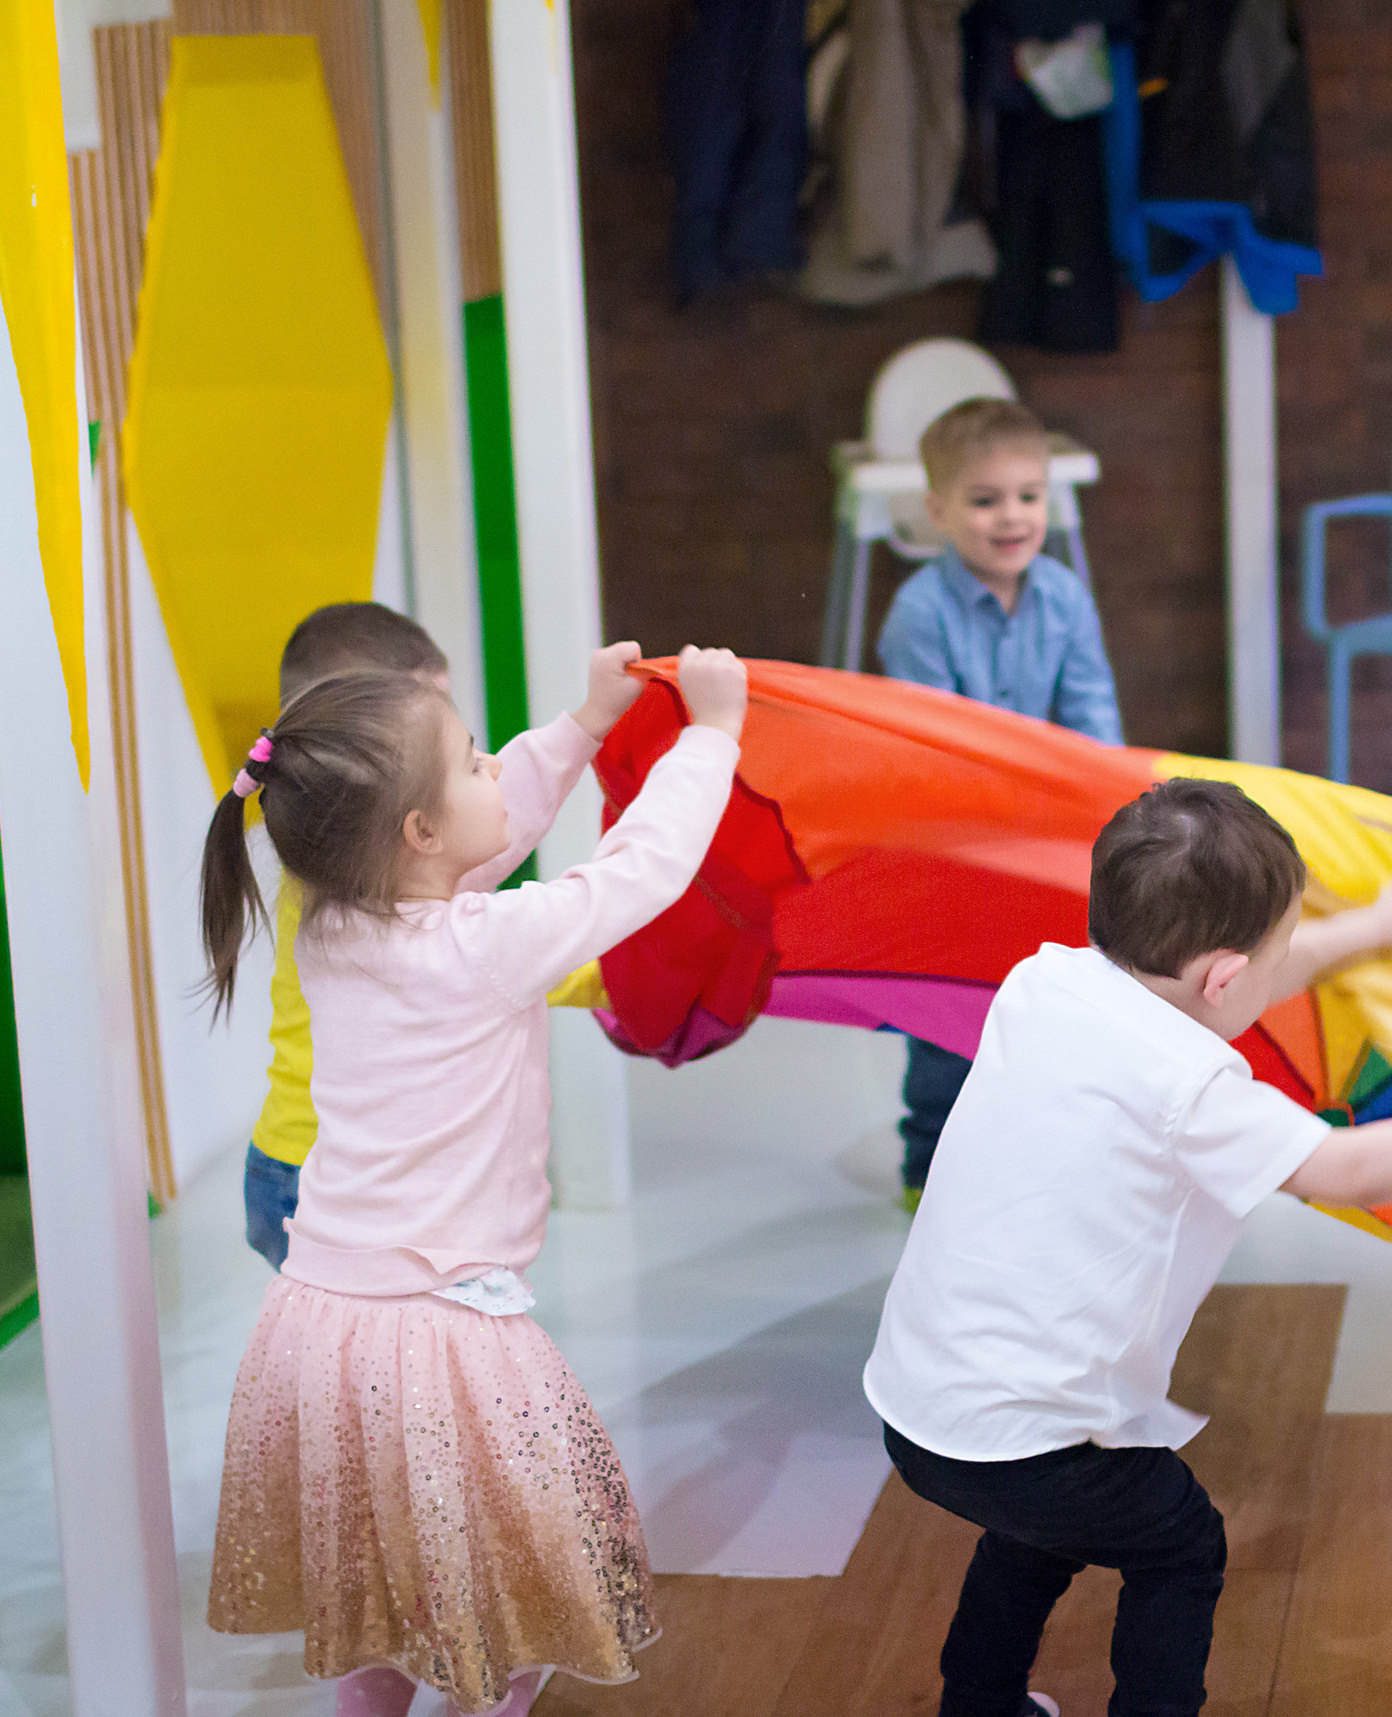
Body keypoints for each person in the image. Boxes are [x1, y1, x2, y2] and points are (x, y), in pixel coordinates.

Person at [199, 641, 750, 1716]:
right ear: (416, 831)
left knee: (378, 1561)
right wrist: (711, 737)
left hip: (319, 1318)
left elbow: (473, 848)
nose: (499, 765)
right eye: (473, 761)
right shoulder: (481, 946)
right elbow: (638, 873)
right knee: (503, 1580)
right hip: (439, 1328)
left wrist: (583, 727)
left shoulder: (338, 924)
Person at [864, 777, 1392, 1717]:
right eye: (1280, 952)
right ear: (1224, 978)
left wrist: (1377, 928)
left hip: (919, 1406)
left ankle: (978, 1703)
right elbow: (1340, 1167)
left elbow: (1234, 976)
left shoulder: (1044, 978)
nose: (1280, 969)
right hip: (1032, 1439)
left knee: (1029, 1534)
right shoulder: (1195, 1088)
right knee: (1179, 1541)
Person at [242, 603, 609, 1272]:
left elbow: (514, 810)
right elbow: (474, 967)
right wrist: (607, 978)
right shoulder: (355, 891)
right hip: (327, 1178)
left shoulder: (341, 855)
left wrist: (586, 726)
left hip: (297, 1159)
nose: (470, 761)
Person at [875, 396, 1124, 1211]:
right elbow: (936, 745)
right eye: (985, 500)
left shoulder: (1064, 596)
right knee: (951, 997)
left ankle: (1045, 1143)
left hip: (1046, 827)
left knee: (1053, 987)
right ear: (938, 512)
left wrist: (1103, 799)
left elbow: (1092, 714)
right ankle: (930, 1153)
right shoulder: (920, 612)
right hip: (951, 836)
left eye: (1028, 496)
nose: (1011, 517)